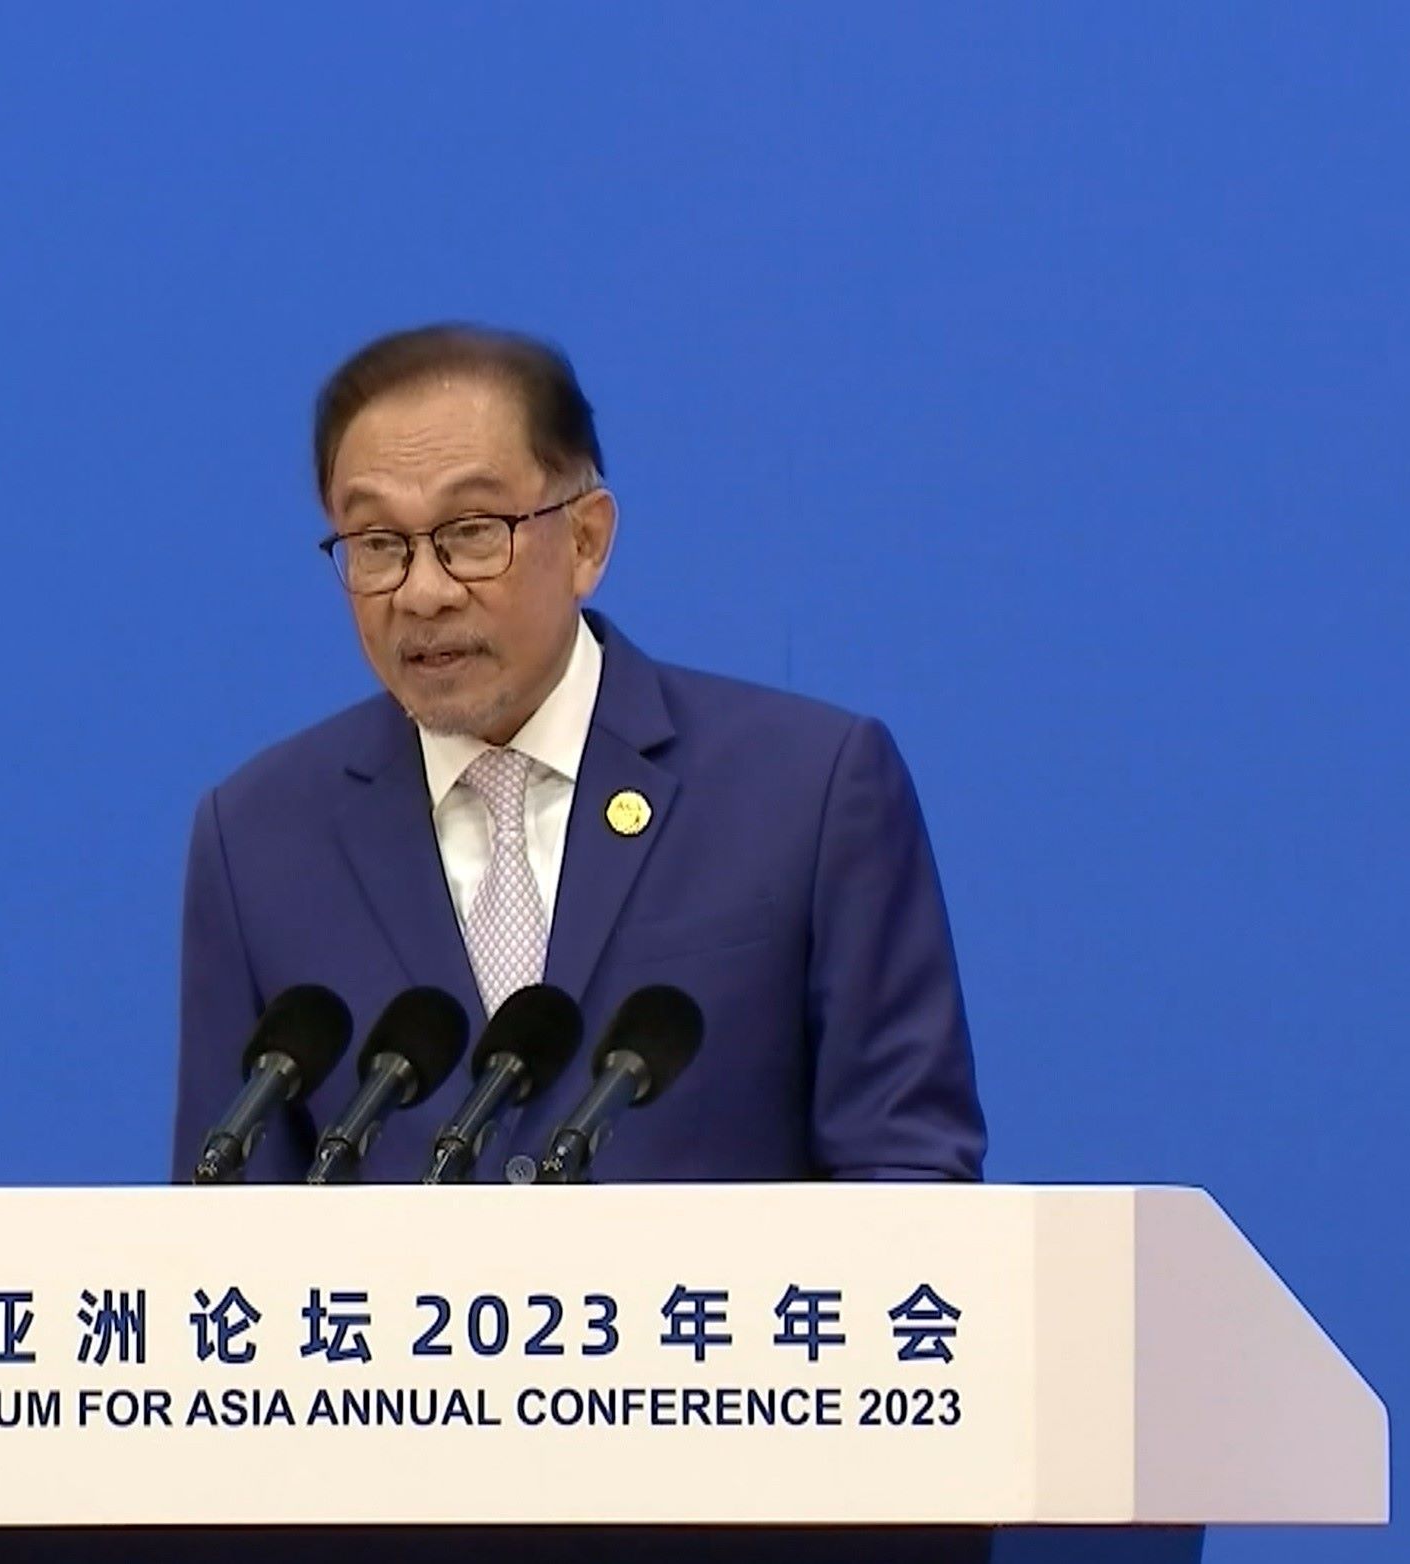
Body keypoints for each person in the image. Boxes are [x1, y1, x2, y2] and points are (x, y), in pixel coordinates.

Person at [171, 324, 983, 1183]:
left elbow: (908, 1178)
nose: (423, 592)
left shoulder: (803, 791)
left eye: (472, 531)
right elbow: (222, 1209)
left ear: (587, 540)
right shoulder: (259, 838)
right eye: (377, 544)